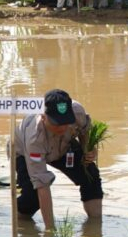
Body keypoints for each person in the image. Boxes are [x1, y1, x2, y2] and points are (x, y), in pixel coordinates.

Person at [13, 89, 102, 229]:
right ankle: (19, 220)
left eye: (66, 121)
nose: (62, 127)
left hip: (64, 147)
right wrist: (50, 230)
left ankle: (96, 224)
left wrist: (88, 150)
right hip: (23, 152)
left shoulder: (77, 111)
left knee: (90, 173)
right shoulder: (34, 138)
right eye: (56, 122)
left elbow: (85, 131)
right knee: (33, 197)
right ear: (43, 117)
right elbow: (42, 184)